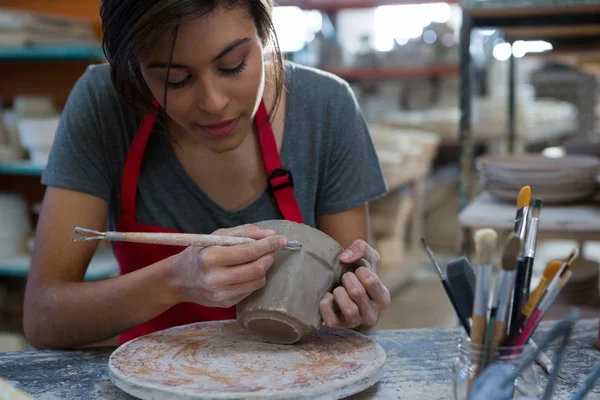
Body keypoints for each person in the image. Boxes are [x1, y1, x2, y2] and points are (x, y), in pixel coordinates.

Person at [22, 0, 391, 349]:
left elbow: (355, 319)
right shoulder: (105, 104)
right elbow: (42, 319)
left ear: (264, 29)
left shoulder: (326, 107)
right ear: (134, 68)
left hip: (295, 379)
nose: (213, 103)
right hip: (152, 382)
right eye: (175, 80)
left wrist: (358, 303)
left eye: (233, 65)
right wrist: (174, 281)